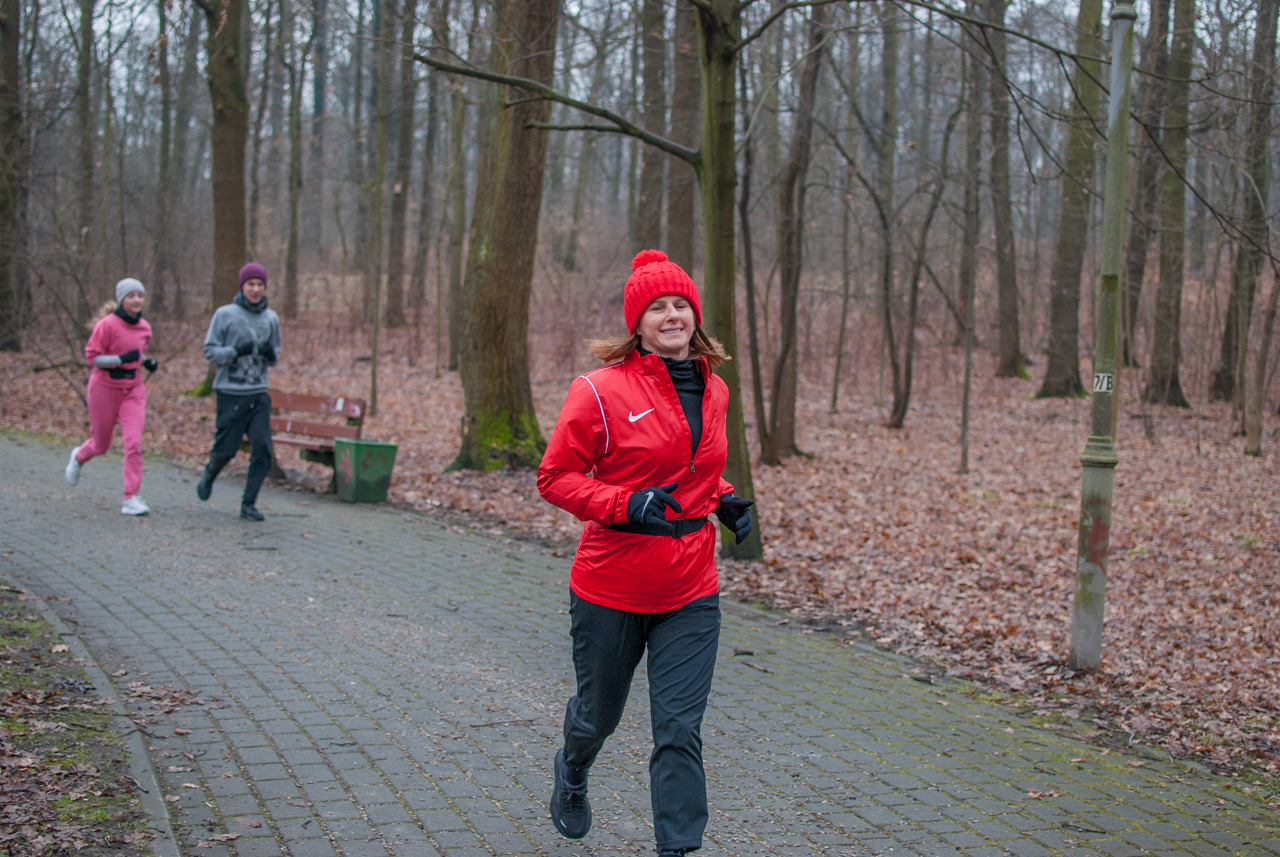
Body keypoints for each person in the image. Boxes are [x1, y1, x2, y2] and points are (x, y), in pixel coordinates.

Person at [536, 250, 755, 856]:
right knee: (599, 716)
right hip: (612, 586)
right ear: (638, 323)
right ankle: (573, 769)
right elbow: (554, 477)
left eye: (680, 303)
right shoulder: (599, 392)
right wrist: (623, 504)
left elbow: (692, 472)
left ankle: (677, 848)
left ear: (695, 315)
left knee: (679, 730)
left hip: (690, 588)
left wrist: (723, 498)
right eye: (657, 307)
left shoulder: (717, 391)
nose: (671, 314)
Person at [65, 278, 160, 515]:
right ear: (122, 299)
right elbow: (92, 358)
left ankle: (131, 498)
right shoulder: (106, 325)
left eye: (140, 295)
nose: (137, 300)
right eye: (131, 296)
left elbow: (137, 352)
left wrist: (146, 361)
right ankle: (78, 457)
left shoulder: (145, 328)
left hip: (133, 388)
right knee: (101, 444)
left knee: (133, 442)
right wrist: (119, 360)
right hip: (104, 387)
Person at [196, 262, 281, 521]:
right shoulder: (225, 315)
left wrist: (269, 355)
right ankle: (210, 474)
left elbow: (275, 355)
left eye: (259, 285)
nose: (255, 289)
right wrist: (234, 352)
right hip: (231, 393)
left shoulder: (271, 318)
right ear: (242, 286)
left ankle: (249, 504)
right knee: (227, 449)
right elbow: (209, 351)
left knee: (263, 448)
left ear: (265, 287)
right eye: (250, 284)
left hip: (258, 392)